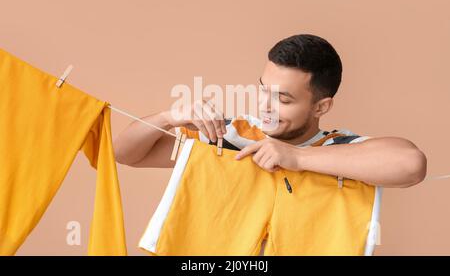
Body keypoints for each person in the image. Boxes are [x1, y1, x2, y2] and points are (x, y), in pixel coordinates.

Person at [113, 34, 427, 188]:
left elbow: (410, 164)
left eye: (283, 99)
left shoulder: (341, 150)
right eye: (263, 89)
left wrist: (297, 158)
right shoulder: (231, 136)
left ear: (321, 106)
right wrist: (168, 118)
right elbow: (126, 154)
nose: (264, 106)